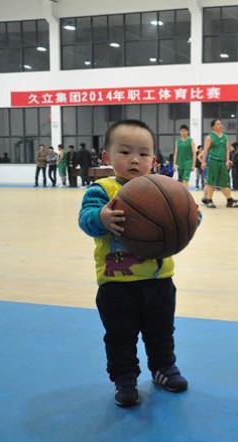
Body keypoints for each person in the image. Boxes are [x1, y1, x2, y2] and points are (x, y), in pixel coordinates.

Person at [78, 119, 190, 408]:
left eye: (143, 153)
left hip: (159, 281)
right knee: (120, 337)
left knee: (161, 331)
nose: (135, 160)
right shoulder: (102, 190)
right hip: (116, 285)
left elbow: (187, 219)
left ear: (153, 159)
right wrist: (100, 217)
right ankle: (124, 378)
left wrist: (189, 217)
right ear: (107, 157)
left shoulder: (166, 188)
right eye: (125, 152)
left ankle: (163, 368)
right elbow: (85, 220)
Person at [199, 119, 238, 208]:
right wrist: (203, 162)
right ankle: (209, 200)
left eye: (220, 124)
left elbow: (227, 150)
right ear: (213, 127)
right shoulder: (210, 137)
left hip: (222, 163)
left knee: (224, 183)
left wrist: (227, 160)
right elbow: (205, 150)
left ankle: (229, 201)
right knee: (211, 182)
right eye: (218, 124)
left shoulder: (225, 137)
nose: (220, 125)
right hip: (213, 161)